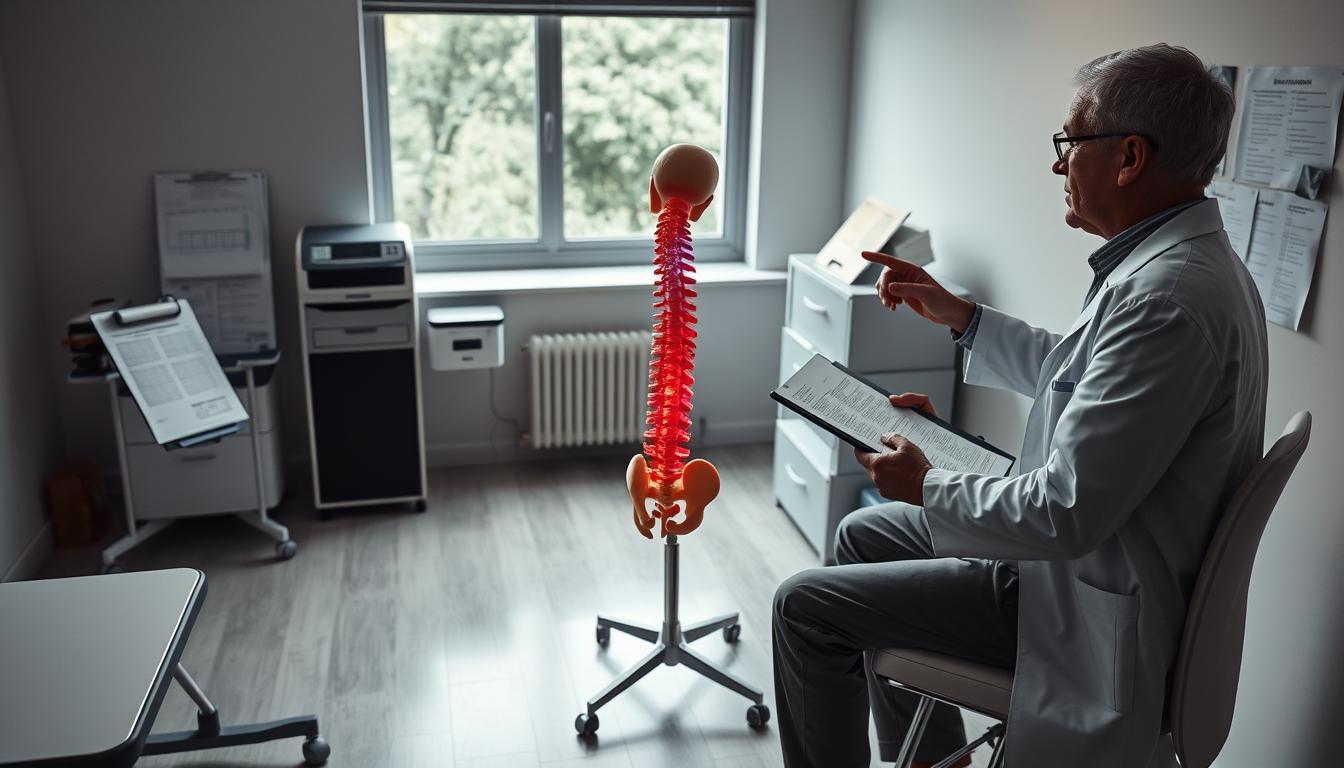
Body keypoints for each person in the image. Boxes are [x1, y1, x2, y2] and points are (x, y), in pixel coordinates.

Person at [772, 43, 1267, 768]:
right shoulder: (1167, 266)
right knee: (862, 534)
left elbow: (1066, 513)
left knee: (803, 608)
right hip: (1077, 562)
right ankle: (934, 760)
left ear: (1128, 157)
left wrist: (931, 481)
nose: (1058, 165)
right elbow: (1079, 378)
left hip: (1074, 597)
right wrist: (963, 318)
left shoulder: (1166, 301)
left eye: (1069, 143)